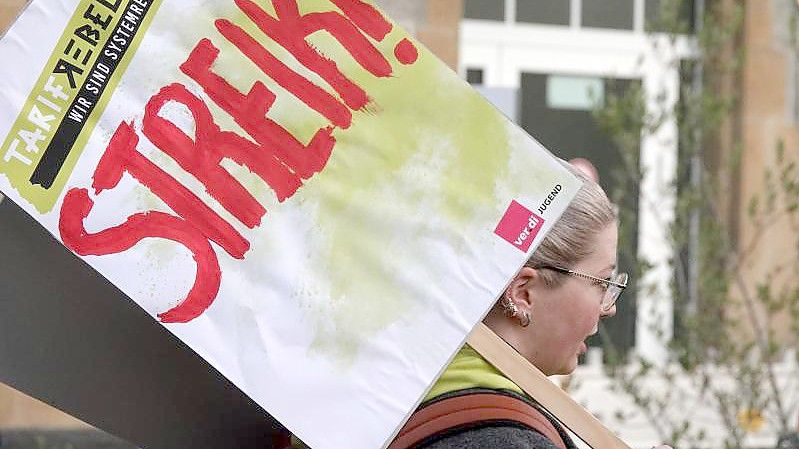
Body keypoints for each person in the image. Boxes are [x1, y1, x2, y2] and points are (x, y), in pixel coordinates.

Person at [392, 163, 638, 449]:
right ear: (523, 293)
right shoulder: (505, 439)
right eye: (602, 281)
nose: (609, 308)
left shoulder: (394, 399)